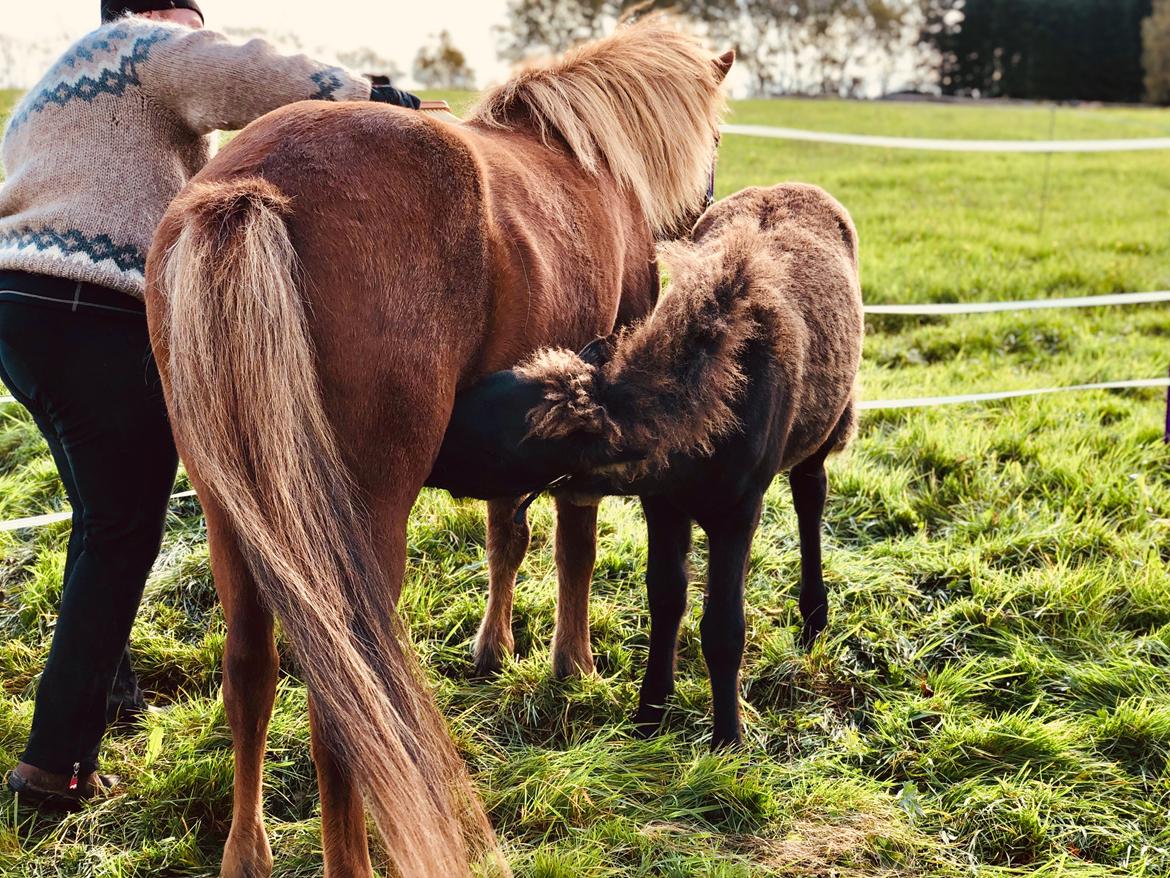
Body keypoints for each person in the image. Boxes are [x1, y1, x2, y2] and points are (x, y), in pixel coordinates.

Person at [0, 0, 420, 810]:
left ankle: (104, 692)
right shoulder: (146, 47)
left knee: (100, 515)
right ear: (156, 11)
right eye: (194, 15)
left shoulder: (61, 76)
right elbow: (255, 73)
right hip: (97, 310)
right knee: (123, 528)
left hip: (22, 308)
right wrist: (377, 96)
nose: (200, 30)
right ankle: (53, 766)